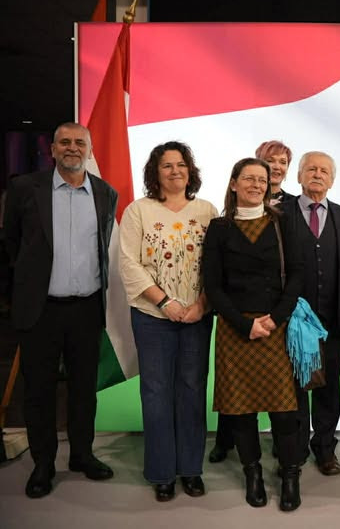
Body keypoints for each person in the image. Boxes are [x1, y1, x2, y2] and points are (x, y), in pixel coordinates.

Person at [4, 122, 117, 499]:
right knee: (39, 390)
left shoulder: (105, 193)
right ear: (52, 149)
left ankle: (82, 455)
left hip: (87, 309)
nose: (72, 148)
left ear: (89, 149)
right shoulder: (25, 188)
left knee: (84, 389)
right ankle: (43, 463)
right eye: (64, 142)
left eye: (79, 143)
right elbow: (12, 243)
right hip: (41, 310)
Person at [203, 157, 304, 511]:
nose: (256, 185)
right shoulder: (219, 228)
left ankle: (290, 475)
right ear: (234, 184)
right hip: (235, 330)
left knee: (284, 411)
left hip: (276, 327)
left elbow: (297, 274)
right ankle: (253, 474)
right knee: (241, 411)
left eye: (262, 179)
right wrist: (244, 325)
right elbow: (213, 286)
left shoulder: (283, 223)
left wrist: (275, 319)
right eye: (249, 178)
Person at [118, 141, 217, 502]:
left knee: (192, 390)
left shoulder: (207, 211)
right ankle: (161, 472)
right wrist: (166, 303)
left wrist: (201, 304)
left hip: (197, 317)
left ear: (190, 171)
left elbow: (217, 266)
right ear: (155, 173)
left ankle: (190, 469)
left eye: (181, 165)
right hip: (152, 318)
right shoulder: (138, 211)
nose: (175, 171)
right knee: (157, 393)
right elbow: (128, 264)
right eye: (167, 166)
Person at [281, 151, 340, 476]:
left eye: (324, 170)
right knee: (294, 388)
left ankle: (325, 449)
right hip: (291, 322)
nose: (317, 174)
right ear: (299, 176)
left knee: (329, 389)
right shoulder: (279, 215)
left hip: (333, 322)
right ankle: (294, 451)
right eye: (311, 169)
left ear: (332, 180)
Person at [256, 140, 293, 205]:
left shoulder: (297, 204)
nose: (277, 167)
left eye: (283, 162)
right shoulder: (243, 200)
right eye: (270, 161)